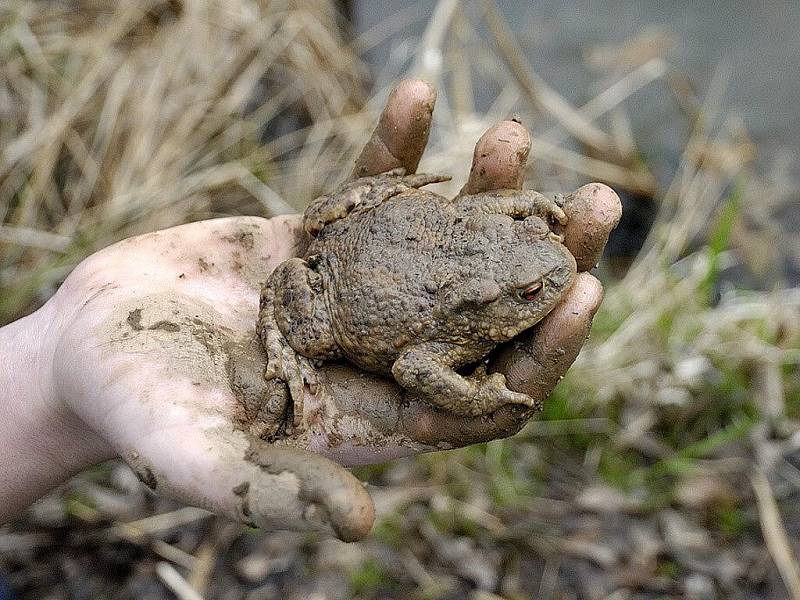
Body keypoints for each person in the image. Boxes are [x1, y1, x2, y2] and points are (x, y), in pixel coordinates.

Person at [0, 79, 620, 541]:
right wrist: (483, 397)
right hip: (338, 297)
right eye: (532, 295)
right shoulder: (456, 330)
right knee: (311, 336)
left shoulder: (481, 245)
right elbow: (413, 369)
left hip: (384, 231)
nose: (554, 279)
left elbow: (480, 215)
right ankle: (287, 341)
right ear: (490, 311)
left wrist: (527, 213)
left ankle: (389, 201)